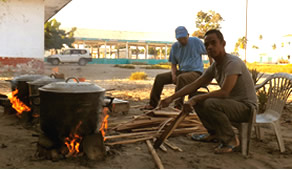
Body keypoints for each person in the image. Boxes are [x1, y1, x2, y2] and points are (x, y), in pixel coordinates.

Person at [159, 29, 257, 154]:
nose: (209, 47)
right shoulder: (215, 66)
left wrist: (196, 99)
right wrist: (171, 98)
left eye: (213, 43)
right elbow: (195, 84)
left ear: (223, 44)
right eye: (206, 45)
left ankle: (231, 140)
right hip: (232, 104)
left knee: (209, 103)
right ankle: (214, 133)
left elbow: (224, 93)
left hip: (247, 108)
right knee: (196, 97)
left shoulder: (232, 63)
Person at [144, 26, 211, 110]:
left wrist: (211, 66)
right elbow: (173, 64)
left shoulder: (196, 42)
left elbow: (209, 52)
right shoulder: (175, 47)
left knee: (181, 78)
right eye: (180, 39)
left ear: (188, 35)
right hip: (182, 71)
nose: (182, 41)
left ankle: (178, 105)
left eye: (184, 38)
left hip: (195, 72)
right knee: (160, 78)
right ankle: (152, 104)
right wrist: (173, 75)